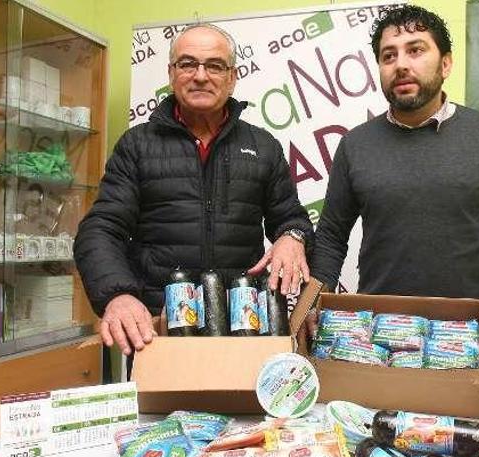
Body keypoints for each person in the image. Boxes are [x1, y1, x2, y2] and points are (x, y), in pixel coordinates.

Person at [74, 23, 313, 358]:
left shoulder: (263, 146)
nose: (201, 75)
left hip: (243, 328)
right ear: (172, 74)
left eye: (214, 65)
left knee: (246, 412)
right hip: (158, 332)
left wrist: (292, 236)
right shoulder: (137, 145)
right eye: (188, 64)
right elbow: (101, 229)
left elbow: (292, 219)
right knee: (162, 414)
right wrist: (117, 295)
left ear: (232, 77)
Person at [310, 6, 479, 342]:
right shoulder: (355, 145)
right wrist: (313, 304)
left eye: (416, 50)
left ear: (446, 63)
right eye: (388, 56)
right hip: (378, 339)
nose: (401, 64)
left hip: (468, 336)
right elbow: (331, 237)